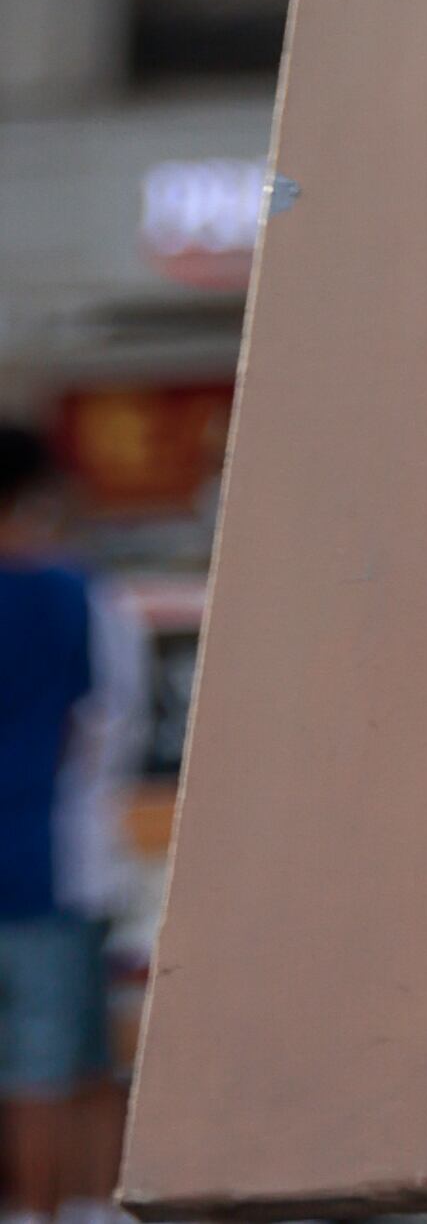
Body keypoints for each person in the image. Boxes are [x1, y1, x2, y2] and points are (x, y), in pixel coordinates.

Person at [0, 433, 119, 1224]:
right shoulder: (67, 594)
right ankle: (66, 1207)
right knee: (64, 1061)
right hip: (46, 859)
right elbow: (100, 724)